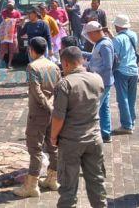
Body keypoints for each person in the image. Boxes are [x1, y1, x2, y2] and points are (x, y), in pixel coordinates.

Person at [50, 46, 108, 208]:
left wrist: (53, 137)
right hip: (94, 138)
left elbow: (58, 117)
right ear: (81, 60)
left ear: (66, 64)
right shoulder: (97, 78)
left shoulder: (65, 84)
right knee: (97, 181)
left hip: (71, 142)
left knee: (68, 187)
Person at [13, 37, 60, 198]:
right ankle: (52, 179)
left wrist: (47, 106)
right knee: (53, 146)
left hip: (39, 113)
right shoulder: (54, 66)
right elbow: (58, 89)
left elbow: (36, 91)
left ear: (32, 50)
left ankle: (31, 185)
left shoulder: (32, 67)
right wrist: (53, 107)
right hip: (53, 113)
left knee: (35, 148)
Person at [82, 22, 115, 143]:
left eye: (90, 35)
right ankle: (105, 133)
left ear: (95, 32)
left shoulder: (105, 45)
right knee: (104, 108)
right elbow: (97, 58)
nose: (89, 38)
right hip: (102, 81)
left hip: (102, 82)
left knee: (95, 108)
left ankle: (94, 134)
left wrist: (91, 69)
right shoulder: (100, 43)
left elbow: (107, 66)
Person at [108, 15, 139, 134]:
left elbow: (115, 55)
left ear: (118, 25)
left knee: (123, 99)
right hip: (134, 70)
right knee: (131, 98)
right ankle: (131, 120)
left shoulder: (118, 39)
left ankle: (126, 125)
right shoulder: (133, 35)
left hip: (122, 70)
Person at [0, 0, 23, 68]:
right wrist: (11, 20)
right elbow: (2, 20)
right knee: (2, 48)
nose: (9, 6)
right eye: (8, 5)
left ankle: (9, 63)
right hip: (5, 33)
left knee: (12, 50)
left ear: (14, 5)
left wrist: (16, 21)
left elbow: (20, 22)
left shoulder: (17, 13)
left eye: (11, 5)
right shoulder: (4, 12)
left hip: (13, 33)